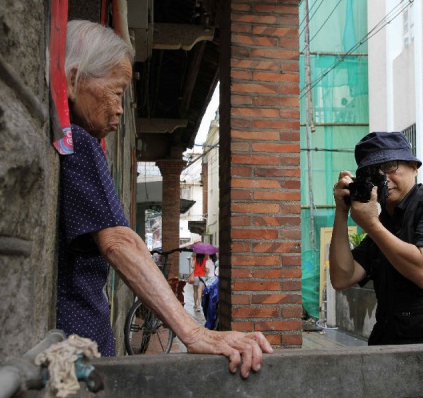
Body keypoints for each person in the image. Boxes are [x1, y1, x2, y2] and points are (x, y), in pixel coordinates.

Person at [57, 20, 272, 377]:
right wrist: (193, 332)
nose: (121, 109)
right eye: (116, 91)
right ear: (74, 78)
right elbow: (118, 241)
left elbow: (125, 240)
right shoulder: (77, 142)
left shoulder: (73, 142)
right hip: (73, 355)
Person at [330, 132, 423, 345]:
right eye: (373, 172)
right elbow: (342, 278)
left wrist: (371, 225)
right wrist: (341, 212)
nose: (384, 178)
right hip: (386, 343)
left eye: (390, 166)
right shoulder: (382, 221)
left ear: (414, 167)